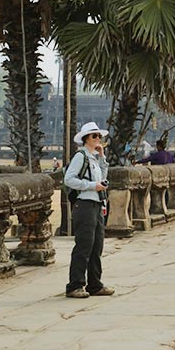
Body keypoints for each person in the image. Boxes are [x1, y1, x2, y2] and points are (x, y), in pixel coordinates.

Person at [64, 122, 114, 298]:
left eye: (99, 136)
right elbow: (69, 179)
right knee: (84, 246)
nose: (98, 139)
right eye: (94, 136)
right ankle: (75, 285)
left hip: (96, 205)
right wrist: (92, 185)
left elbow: (102, 177)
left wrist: (102, 158)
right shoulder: (81, 156)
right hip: (84, 205)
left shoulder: (92, 157)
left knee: (96, 246)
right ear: (86, 139)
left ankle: (95, 284)